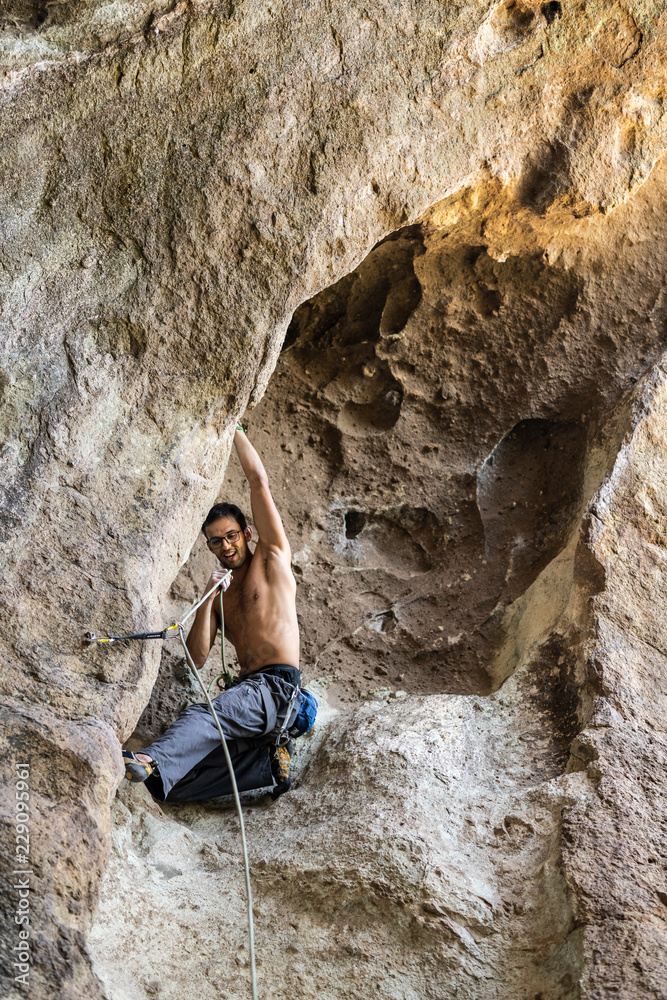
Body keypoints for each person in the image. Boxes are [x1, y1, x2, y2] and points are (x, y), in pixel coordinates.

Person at [122, 425, 311, 801]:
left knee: (199, 717)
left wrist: (235, 427)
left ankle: (150, 757)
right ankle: (267, 762)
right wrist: (208, 597)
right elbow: (195, 657)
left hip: (276, 690)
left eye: (232, 536)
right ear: (208, 547)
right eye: (216, 541)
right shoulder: (220, 594)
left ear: (248, 533)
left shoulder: (272, 561)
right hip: (248, 699)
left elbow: (259, 481)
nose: (225, 546)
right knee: (171, 785)